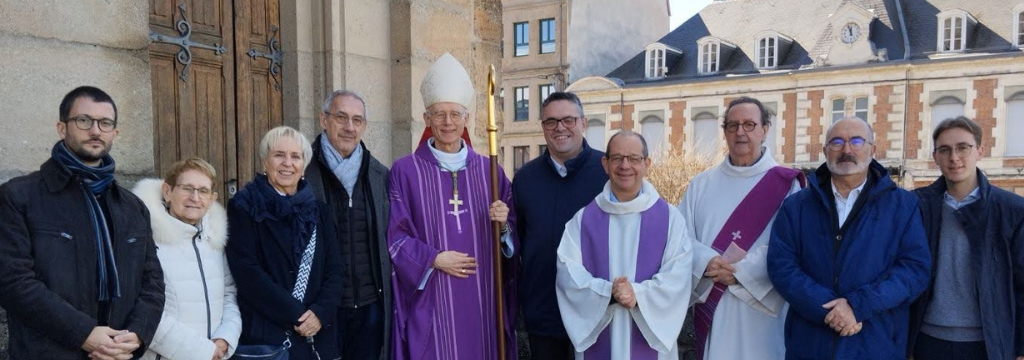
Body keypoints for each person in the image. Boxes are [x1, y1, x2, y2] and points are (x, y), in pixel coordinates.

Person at [0, 86, 164, 360]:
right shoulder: (19, 195)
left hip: (118, 354)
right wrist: (84, 334)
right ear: (62, 128)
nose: (96, 131)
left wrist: (136, 334)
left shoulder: (132, 207)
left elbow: (153, 281)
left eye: (105, 123)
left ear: (115, 133)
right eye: (84, 120)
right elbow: (12, 282)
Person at [387, 52, 517, 360]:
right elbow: (396, 237)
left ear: (467, 120)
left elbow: (512, 244)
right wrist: (433, 259)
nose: (448, 122)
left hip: (483, 298)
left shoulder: (491, 172)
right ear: (426, 119)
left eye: (455, 114)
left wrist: (506, 225)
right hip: (433, 297)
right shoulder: (405, 171)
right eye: (439, 114)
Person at [767, 117, 931, 360]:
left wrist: (857, 306)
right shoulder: (796, 206)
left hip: (876, 342)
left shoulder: (903, 206)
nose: (846, 150)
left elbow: (914, 271)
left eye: (856, 141)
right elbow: (782, 266)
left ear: (873, 149)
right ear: (825, 151)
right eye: (836, 142)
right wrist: (829, 310)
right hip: (811, 343)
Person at [678, 97, 803, 360]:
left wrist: (742, 273)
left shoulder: (787, 184)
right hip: (713, 299)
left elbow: (795, 244)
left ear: (765, 129)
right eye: (732, 125)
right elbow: (680, 237)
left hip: (764, 308)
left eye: (749, 124)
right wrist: (706, 261)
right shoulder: (701, 184)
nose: (740, 132)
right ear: (724, 131)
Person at [555, 131, 693, 360]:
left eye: (634, 158)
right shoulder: (583, 220)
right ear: (605, 164)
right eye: (617, 158)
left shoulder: (670, 218)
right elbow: (568, 275)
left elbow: (677, 277)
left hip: (650, 344)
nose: (625, 165)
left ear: (647, 164)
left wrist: (637, 294)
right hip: (599, 342)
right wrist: (608, 293)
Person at [908, 116, 1024, 360]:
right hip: (927, 339)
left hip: (988, 343)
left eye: (963, 147)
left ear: (980, 150)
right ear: (935, 156)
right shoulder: (917, 206)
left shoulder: (1012, 210)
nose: (954, 157)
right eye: (945, 149)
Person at [226, 126, 343, 360]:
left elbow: (336, 270)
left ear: (303, 166)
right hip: (269, 337)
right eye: (279, 155)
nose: (287, 163)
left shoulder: (320, 211)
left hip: (317, 337)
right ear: (264, 161)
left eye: (295, 156)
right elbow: (247, 273)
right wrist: (297, 314)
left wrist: (320, 313)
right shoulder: (244, 207)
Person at [512, 91, 607, 359]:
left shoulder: (609, 173)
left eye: (568, 119)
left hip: (596, 309)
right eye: (551, 122)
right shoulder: (525, 179)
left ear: (583, 123)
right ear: (543, 127)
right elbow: (517, 243)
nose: (560, 128)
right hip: (543, 308)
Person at [305, 89, 392, 360]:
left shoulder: (380, 175)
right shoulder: (302, 171)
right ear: (323, 119)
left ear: (364, 126)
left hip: (369, 305)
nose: (349, 127)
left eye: (357, 120)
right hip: (320, 306)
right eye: (341, 117)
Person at [133, 157, 242, 360]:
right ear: (167, 191)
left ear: (212, 199)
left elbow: (229, 293)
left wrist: (225, 338)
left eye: (203, 191)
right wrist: (202, 351)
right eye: (187, 188)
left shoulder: (214, 241)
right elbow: (144, 310)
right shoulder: (147, 239)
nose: (195, 197)